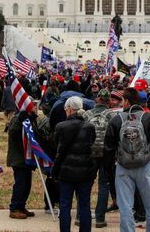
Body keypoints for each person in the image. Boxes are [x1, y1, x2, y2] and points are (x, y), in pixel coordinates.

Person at [103, 87, 150, 232]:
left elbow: (108, 149)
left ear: (125, 101)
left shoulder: (116, 120)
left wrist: (109, 171)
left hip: (123, 167)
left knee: (125, 208)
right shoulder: (148, 117)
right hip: (145, 165)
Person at [53, 96, 97, 232]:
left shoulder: (61, 126)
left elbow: (57, 147)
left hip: (66, 171)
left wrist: (55, 170)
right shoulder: (89, 127)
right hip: (85, 171)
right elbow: (92, 143)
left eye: (66, 109)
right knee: (84, 205)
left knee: (65, 205)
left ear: (71, 109)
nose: (65, 111)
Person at [83, 89, 116, 228]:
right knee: (104, 186)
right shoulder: (111, 115)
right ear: (108, 101)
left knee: (85, 185)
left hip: (89, 153)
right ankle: (100, 219)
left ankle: (81, 216)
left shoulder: (87, 114)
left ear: (97, 99)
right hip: (105, 154)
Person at [6, 101, 37, 219]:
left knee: (27, 185)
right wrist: (20, 120)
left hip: (27, 158)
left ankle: (21, 206)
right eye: (32, 105)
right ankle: (14, 208)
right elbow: (13, 132)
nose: (34, 107)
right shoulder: (17, 119)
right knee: (20, 184)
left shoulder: (30, 119)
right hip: (19, 158)